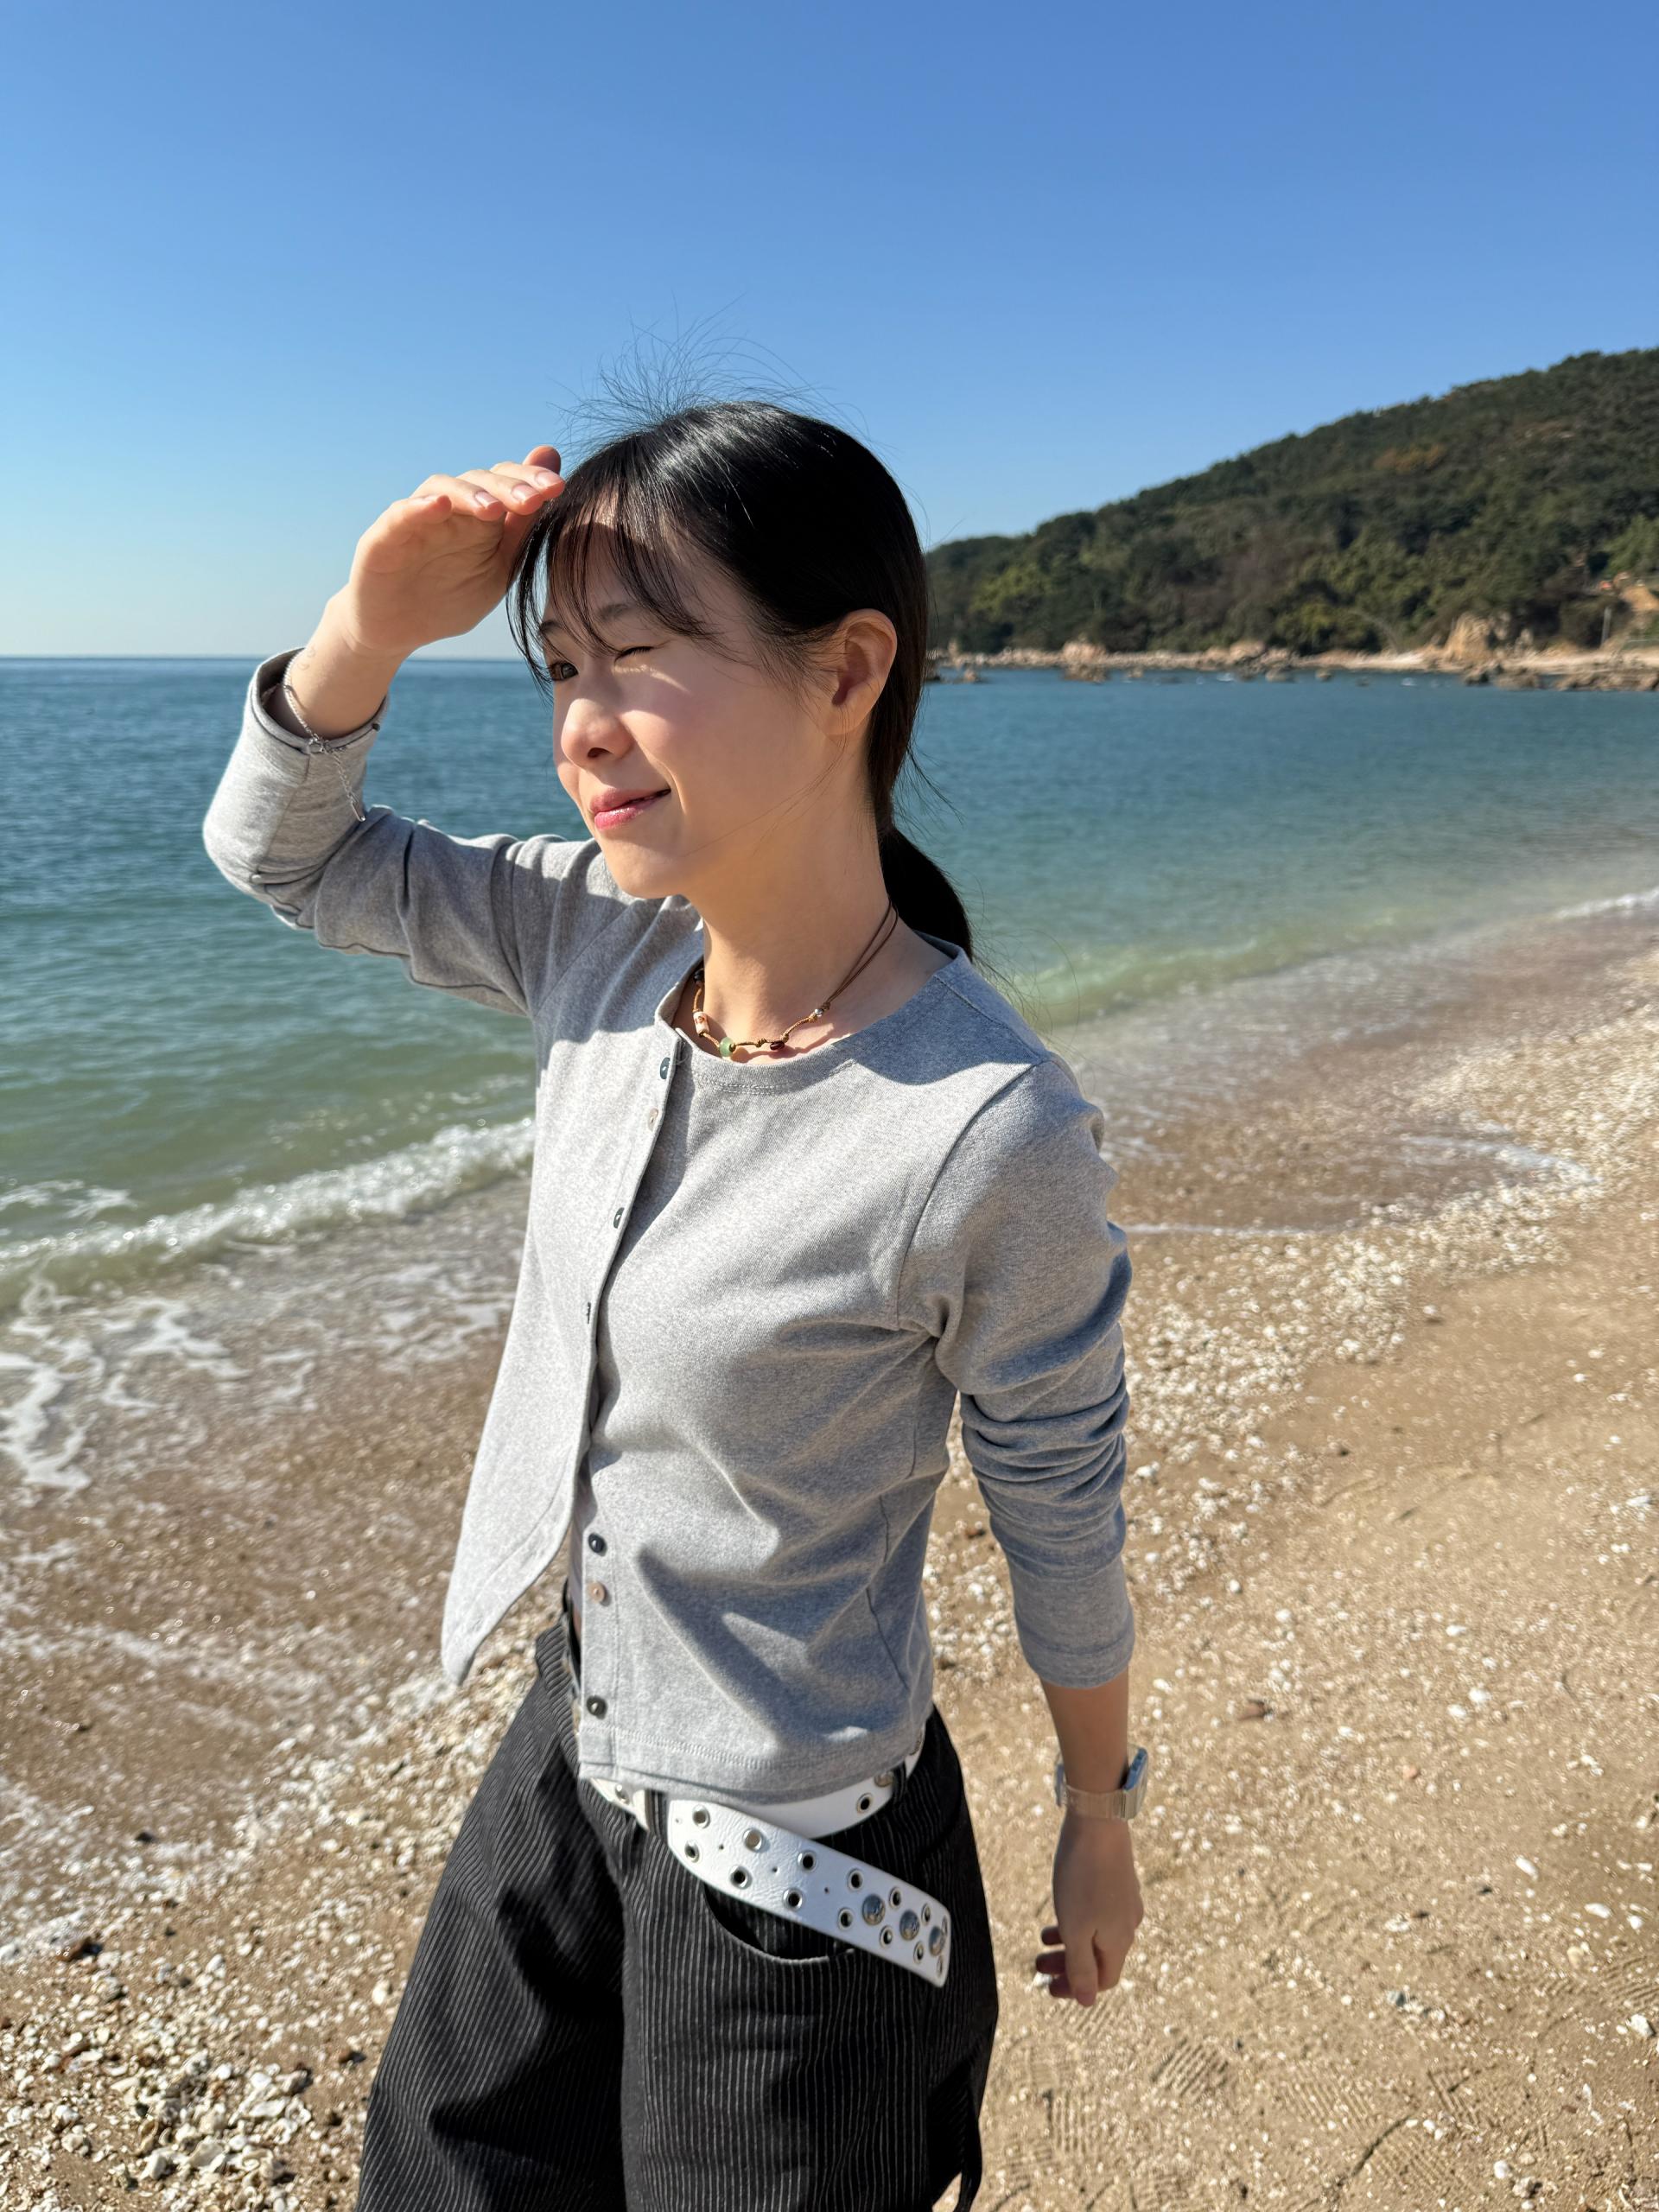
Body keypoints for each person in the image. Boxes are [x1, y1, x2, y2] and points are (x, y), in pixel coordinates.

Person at [201, 397, 1147, 2212]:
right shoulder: (599, 939)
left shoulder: (986, 1126)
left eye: (635, 655)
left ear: (846, 669)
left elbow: (1062, 1509)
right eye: (561, 667)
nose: (579, 724)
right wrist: (366, 626)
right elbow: (284, 851)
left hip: (800, 1877)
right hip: (574, 1748)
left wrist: (1098, 1816)